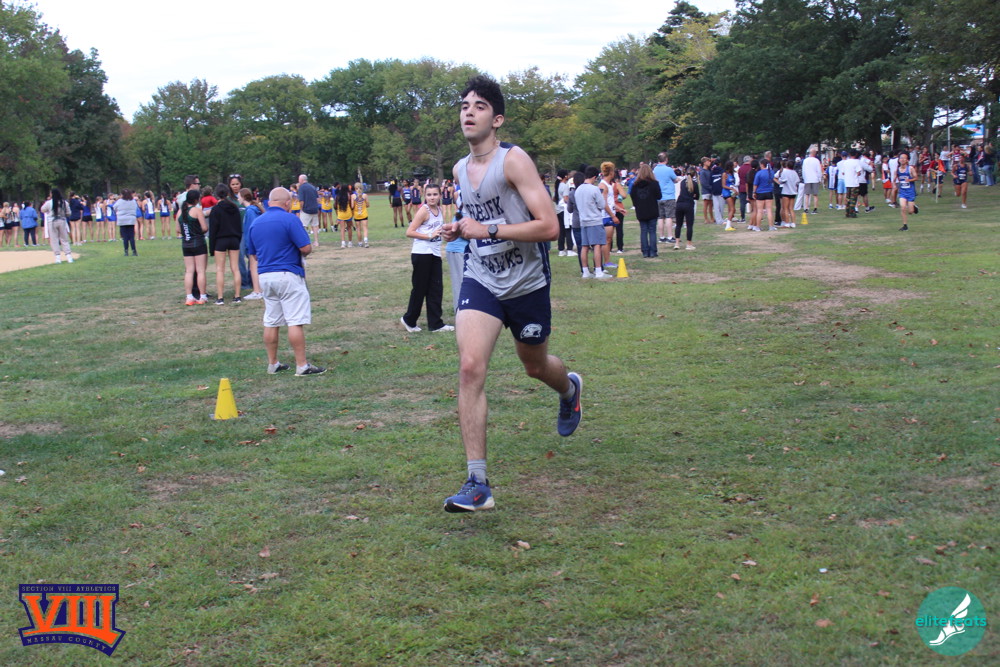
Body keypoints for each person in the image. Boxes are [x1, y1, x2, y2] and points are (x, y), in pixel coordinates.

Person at [440, 75, 582, 512]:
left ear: (497, 119)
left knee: (535, 366)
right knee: (469, 367)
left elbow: (549, 226)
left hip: (526, 282)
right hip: (482, 277)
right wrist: (461, 228)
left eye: (480, 106)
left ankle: (569, 390)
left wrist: (488, 229)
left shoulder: (514, 161)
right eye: (464, 105)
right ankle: (477, 482)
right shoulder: (459, 170)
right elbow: (478, 217)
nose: (469, 112)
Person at [245, 187, 325, 377]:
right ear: (287, 203)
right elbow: (305, 247)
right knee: (295, 320)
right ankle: (302, 365)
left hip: (265, 276)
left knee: (271, 320)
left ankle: (273, 363)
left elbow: (253, 254)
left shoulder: (256, 222)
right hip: (288, 274)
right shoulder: (290, 219)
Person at [400, 183, 454, 333]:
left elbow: (437, 230)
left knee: (436, 289)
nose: (432, 197)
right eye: (429, 195)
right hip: (422, 254)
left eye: (435, 194)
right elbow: (409, 232)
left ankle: (436, 324)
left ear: (440, 195)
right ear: (424, 196)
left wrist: (445, 233)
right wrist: (429, 235)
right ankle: (409, 320)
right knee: (420, 288)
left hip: (434, 253)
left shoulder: (440, 209)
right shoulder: (424, 211)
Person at [575, 166, 613, 278]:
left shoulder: (578, 189)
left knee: (584, 247)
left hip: (583, 221)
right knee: (597, 245)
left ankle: (585, 271)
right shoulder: (594, 189)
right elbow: (602, 205)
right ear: (594, 177)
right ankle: (598, 271)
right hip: (595, 221)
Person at [209, 183, 243, 304]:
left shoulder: (215, 209)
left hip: (220, 240)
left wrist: (212, 247)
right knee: (235, 268)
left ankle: (220, 297)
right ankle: (237, 296)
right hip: (234, 239)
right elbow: (239, 226)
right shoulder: (234, 208)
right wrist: (238, 239)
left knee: (220, 269)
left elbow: (213, 230)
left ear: (216, 195)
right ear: (228, 193)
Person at [177, 190, 209, 305]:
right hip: (198, 243)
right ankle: (202, 296)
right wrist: (196, 231)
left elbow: (178, 229)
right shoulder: (196, 210)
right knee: (200, 271)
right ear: (196, 199)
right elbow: (204, 228)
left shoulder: (180, 211)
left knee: (189, 271)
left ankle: (189, 297)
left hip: (186, 244)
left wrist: (188, 233)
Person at [630, 163, 661, 258]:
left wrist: (637, 204)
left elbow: (633, 196)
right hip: (652, 209)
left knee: (643, 231)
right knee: (652, 231)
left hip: (641, 210)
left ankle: (645, 251)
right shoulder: (654, 183)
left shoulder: (635, 185)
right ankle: (653, 251)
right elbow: (659, 196)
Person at [239, 188, 265, 299]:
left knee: (253, 267)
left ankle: (257, 291)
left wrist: (249, 245)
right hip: (257, 242)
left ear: (243, 197)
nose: (238, 199)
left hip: (254, 243)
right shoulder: (254, 209)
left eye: (239, 196)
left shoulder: (250, 211)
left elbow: (252, 228)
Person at [41, 189, 73, 263]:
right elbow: (68, 213)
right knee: (64, 239)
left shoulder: (49, 203)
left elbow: (42, 209)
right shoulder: (64, 202)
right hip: (62, 221)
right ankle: (69, 256)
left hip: (52, 222)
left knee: (54, 240)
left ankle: (57, 257)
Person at [653, 152, 679, 243]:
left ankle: (661, 237)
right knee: (669, 217)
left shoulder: (655, 169)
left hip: (658, 196)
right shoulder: (668, 169)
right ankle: (670, 236)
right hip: (668, 195)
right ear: (666, 159)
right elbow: (675, 179)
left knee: (660, 218)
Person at [674, 166, 699, 249]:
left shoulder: (682, 182)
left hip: (679, 203)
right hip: (688, 204)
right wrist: (693, 196)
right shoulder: (694, 184)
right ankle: (689, 244)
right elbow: (697, 196)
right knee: (689, 225)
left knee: (678, 224)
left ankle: (677, 243)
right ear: (694, 174)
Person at [113, 189, 140, 256]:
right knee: (131, 236)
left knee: (125, 237)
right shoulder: (133, 201)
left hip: (122, 220)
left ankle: (126, 251)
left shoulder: (120, 201)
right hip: (131, 219)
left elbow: (114, 207)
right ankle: (134, 251)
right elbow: (136, 208)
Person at [896, 151, 918, 231]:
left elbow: (916, 178)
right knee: (902, 207)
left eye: (904, 158)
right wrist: (895, 184)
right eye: (901, 158)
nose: (902, 159)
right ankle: (905, 226)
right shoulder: (897, 169)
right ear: (899, 159)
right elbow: (896, 179)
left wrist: (910, 180)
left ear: (907, 160)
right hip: (902, 192)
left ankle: (914, 207)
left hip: (910, 192)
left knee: (910, 212)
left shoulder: (910, 168)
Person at [297, 174, 321, 247]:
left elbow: (301, 200)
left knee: (303, 226)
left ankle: (305, 242)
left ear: (301, 180)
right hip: (314, 209)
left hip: (306, 209)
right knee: (315, 226)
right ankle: (316, 242)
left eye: (299, 179)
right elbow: (318, 199)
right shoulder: (312, 187)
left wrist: (301, 209)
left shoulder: (302, 188)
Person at [751, 159, 775, 231]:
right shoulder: (771, 172)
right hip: (769, 192)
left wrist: (754, 192)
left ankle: (758, 226)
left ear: (762, 164)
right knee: (769, 210)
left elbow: (755, 184)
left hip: (760, 192)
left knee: (760, 211)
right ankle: (771, 226)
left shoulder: (759, 173)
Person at [776, 160, 800, 227]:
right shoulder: (794, 172)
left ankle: (787, 223)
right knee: (791, 208)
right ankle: (793, 223)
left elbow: (782, 180)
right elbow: (797, 181)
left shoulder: (785, 172)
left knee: (785, 208)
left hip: (786, 192)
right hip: (793, 192)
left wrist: (780, 180)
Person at [801, 147, 823, 214]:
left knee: (807, 194)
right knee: (815, 195)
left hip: (807, 179)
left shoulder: (805, 160)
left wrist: (804, 178)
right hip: (815, 179)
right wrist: (819, 178)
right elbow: (819, 171)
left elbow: (803, 170)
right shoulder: (816, 161)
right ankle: (815, 208)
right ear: (815, 153)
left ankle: (806, 209)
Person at [353, 182, 370, 248]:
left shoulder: (353, 196)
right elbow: (368, 205)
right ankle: (366, 241)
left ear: (355, 188)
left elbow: (352, 206)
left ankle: (360, 242)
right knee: (365, 228)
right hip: (364, 214)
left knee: (358, 229)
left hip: (356, 214)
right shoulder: (365, 195)